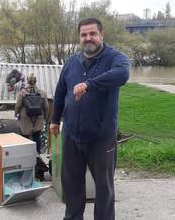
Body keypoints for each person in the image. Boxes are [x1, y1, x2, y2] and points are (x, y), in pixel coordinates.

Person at [50, 17, 130, 220]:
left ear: (101, 35)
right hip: (71, 136)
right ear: (79, 38)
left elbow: (123, 75)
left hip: (101, 138)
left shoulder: (115, 58)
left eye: (93, 33)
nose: (88, 38)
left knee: (103, 189)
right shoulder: (71, 62)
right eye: (84, 35)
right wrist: (54, 120)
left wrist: (89, 84)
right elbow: (60, 92)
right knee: (72, 185)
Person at [15, 73, 49, 154]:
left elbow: (18, 106)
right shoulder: (42, 93)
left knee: (24, 137)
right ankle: (37, 155)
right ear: (36, 81)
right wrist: (45, 117)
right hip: (38, 118)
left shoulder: (22, 92)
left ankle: (25, 154)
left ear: (27, 80)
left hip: (25, 119)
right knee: (37, 137)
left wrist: (16, 113)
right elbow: (47, 107)